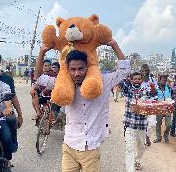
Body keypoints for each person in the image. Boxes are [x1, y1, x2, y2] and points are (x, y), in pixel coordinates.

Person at [34, 39, 130, 172]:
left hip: (90, 148)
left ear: (87, 67)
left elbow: (123, 71)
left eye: (80, 69)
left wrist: (114, 44)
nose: (76, 73)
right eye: (72, 69)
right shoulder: (63, 85)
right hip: (69, 146)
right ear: (68, 70)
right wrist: (42, 52)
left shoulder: (102, 82)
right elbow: (39, 78)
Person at [123, 72, 156, 172]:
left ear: (141, 80)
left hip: (142, 126)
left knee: (141, 147)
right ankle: (130, 170)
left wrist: (153, 87)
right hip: (130, 125)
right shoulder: (128, 90)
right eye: (135, 79)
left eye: (139, 79)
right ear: (131, 80)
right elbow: (122, 83)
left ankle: (137, 160)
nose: (137, 80)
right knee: (129, 149)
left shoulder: (145, 91)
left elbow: (154, 96)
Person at [140, 64, 157, 146]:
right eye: (143, 71)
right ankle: (142, 139)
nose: (144, 73)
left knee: (153, 123)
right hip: (141, 105)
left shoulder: (152, 80)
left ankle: (147, 136)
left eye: (146, 71)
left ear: (148, 71)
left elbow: (155, 93)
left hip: (151, 104)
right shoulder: (138, 80)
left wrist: (152, 87)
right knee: (142, 123)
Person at [153, 75, 172, 144]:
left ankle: (166, 135)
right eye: (162, 80)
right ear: (159, 80)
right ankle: (158, 137)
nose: (164, 82)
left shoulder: (169, 88)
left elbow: (171, 96)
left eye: (165, 80)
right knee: (158, 123)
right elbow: (153, 97)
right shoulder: (156, 88)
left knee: (169, 124)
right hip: (159, 108)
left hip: (167, 108)